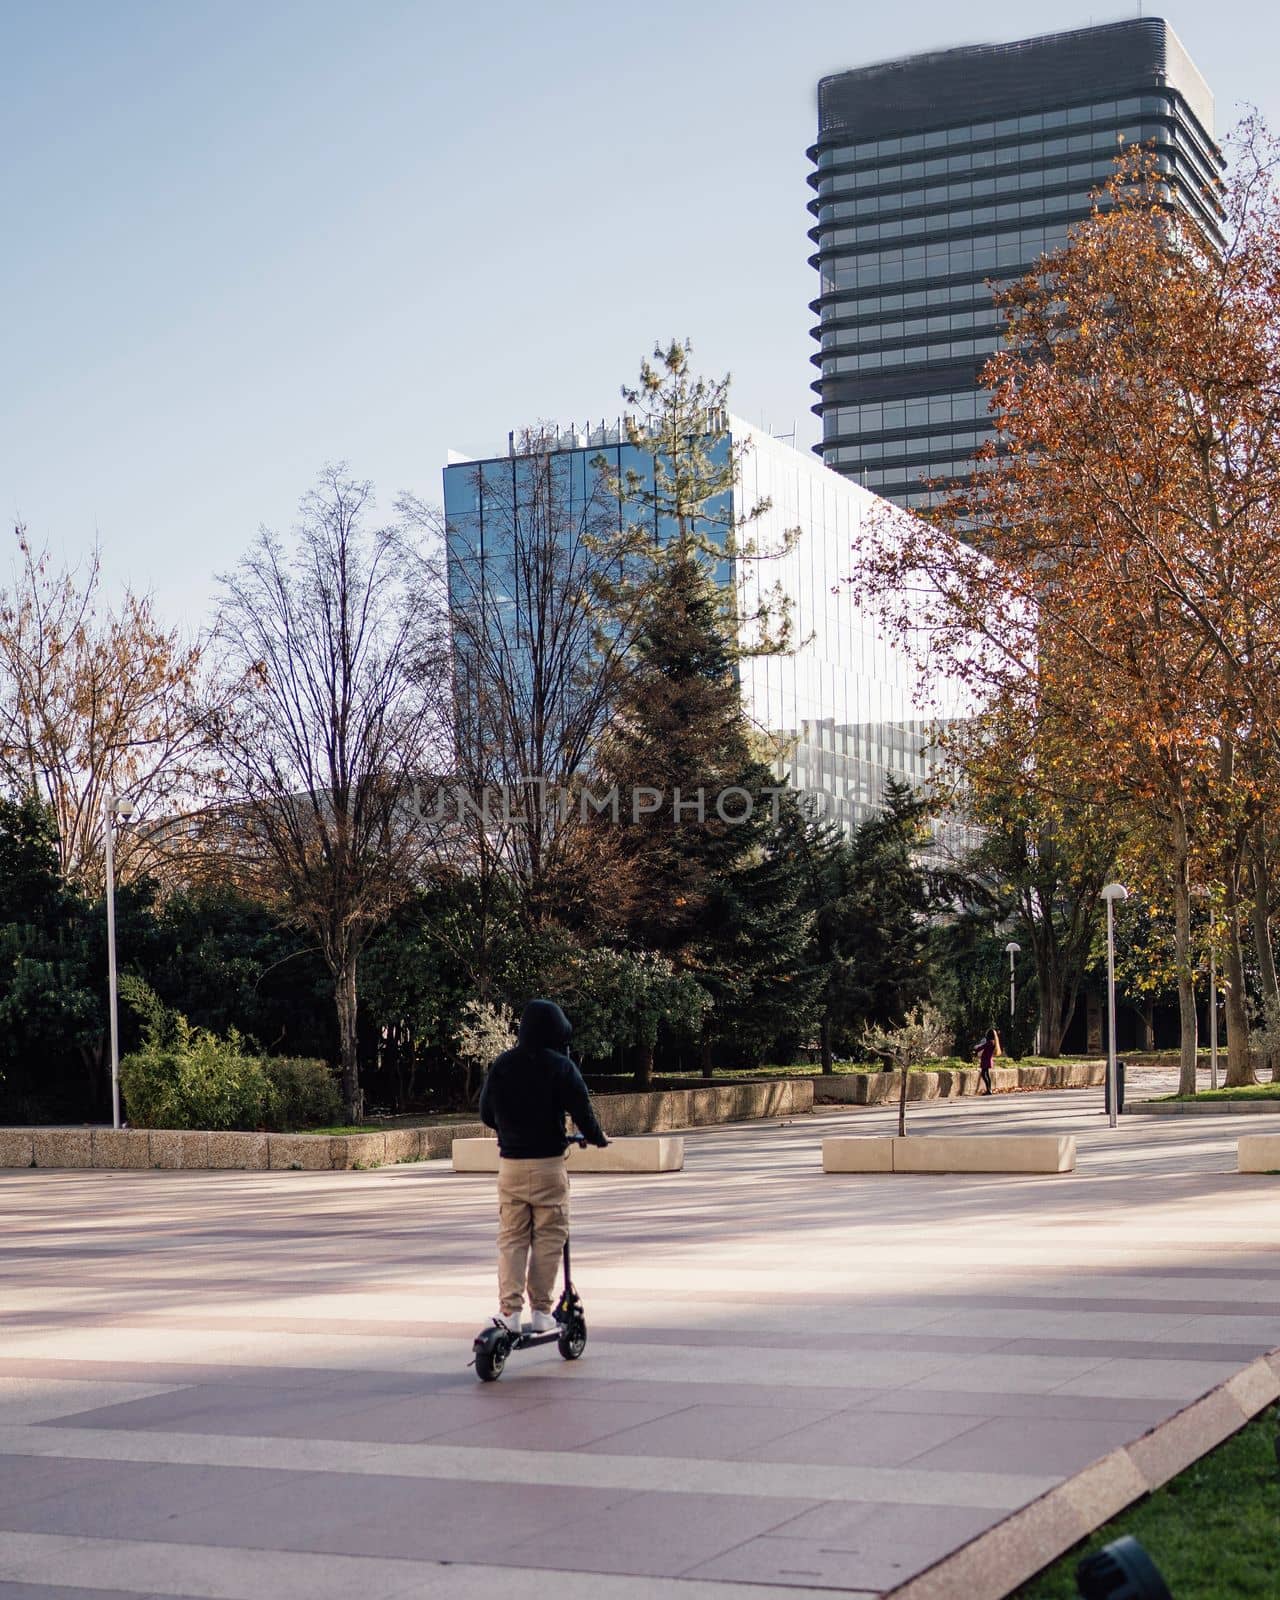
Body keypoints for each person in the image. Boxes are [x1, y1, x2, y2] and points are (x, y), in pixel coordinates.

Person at [479, 998, 608, 1335]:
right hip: (549, 1165)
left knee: (512, 1239)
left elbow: (485, 1113)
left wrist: (511, 1130)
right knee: (549, 1238)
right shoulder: (560, 1066)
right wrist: (597, 1137)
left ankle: (508, 1312)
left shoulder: (503, 1064)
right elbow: (583, 1110)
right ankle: (540, 1311)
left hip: (511, 1166)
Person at [974, 1027, 1001, 1096]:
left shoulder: (989, 1042)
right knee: (987, 1075)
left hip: (985, 1060)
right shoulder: (994, 1042)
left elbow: (982, 1047)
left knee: (983, 1074)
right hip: (988, 1059)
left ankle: (988, 1090)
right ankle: (989, 1089)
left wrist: (975, 1050)